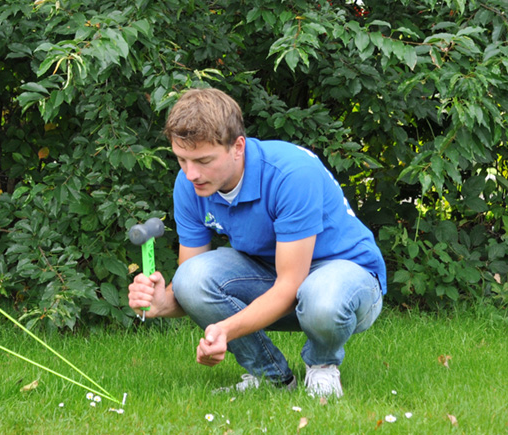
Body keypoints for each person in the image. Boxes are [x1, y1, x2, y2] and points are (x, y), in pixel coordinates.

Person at [128, 88, 387, 397]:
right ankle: (271, 378)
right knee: (191, 277)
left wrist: (225, 329)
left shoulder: (291, 174)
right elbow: (189, 285)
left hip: (347, 280)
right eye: (181, 159)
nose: (191, 173)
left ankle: (322, 367)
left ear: (238, 147)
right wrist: (160, 304)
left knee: (322, 297)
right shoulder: (190, 184)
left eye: (203, 160)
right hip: (274, 275)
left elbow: (291, 285)